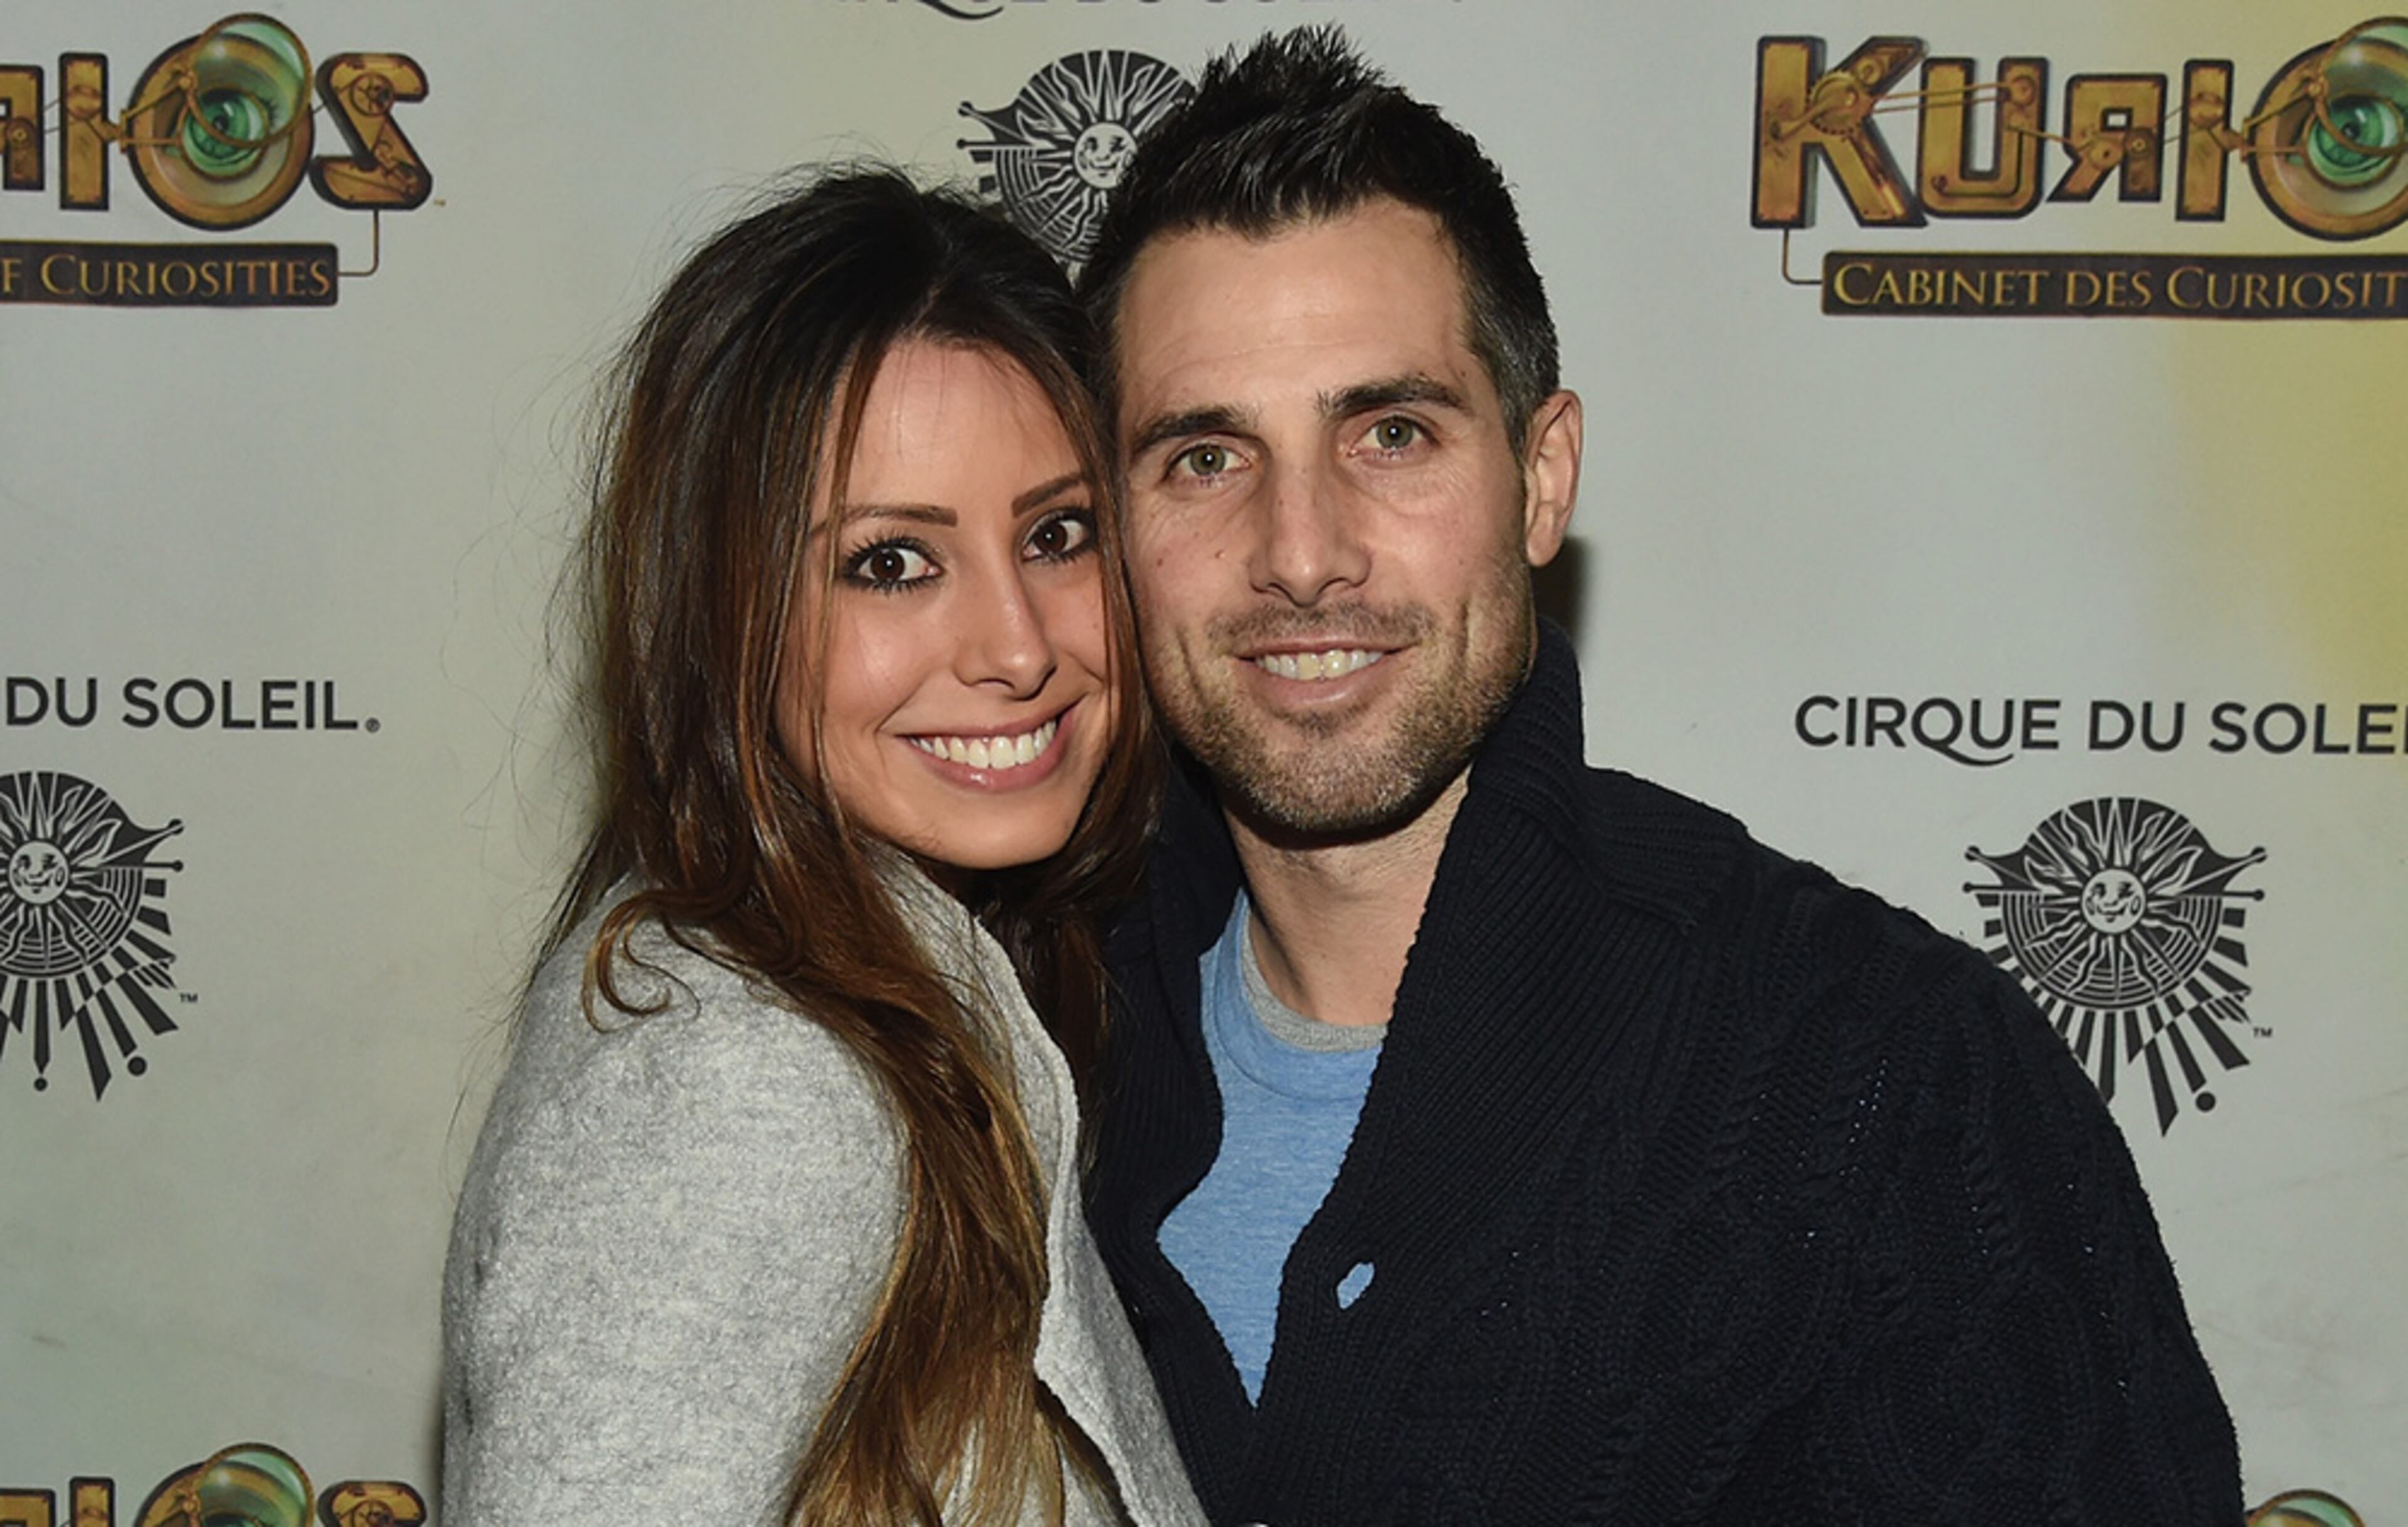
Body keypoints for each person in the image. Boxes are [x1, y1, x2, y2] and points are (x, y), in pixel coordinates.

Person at [1074, 29, 2244, 1526]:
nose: (1302, 554)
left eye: (1392, 433)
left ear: (1542, 477)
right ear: (1111, 524)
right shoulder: (1024, 1055)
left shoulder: (1887, 1080)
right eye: (1205, 458)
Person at [441, 169, 1204, 1527]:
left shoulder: (917, 986)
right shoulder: (745, 1085)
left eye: (1057, 534)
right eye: (890, 563)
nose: (1020, 645)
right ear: (723, 609)